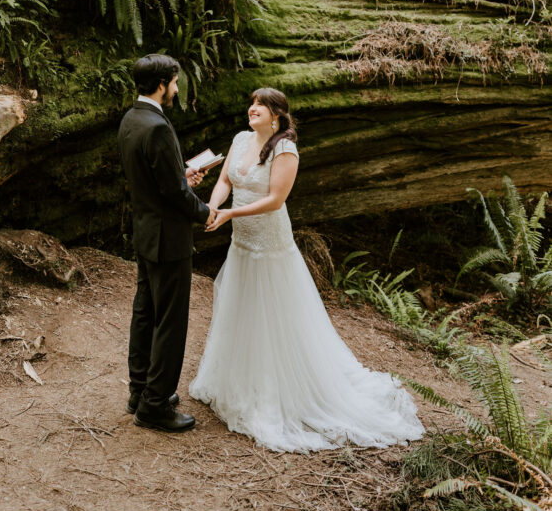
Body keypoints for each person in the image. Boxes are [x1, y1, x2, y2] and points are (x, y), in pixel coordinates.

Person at [189, 87, 425, 453]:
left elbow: (275, 199)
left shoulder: (285, 149)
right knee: (242, 307)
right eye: (251, 102)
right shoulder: (239, 139)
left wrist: (231, 213)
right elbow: (224, 181)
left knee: (274, 313)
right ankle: (239, 380)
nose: (252, 109)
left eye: (261, 105)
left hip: (269, 242)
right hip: (241, 241)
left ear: (277, 116)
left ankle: (277, 389)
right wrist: (213, 208)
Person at [118, 53, 216, 433]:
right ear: (162, 84)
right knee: (171, 321)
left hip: (145, 231)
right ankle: (154, 405)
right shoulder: (158, 127)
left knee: (145, 312)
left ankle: (140, 389)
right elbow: (174, 193)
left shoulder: (132, 118)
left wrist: (180, 174)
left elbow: (151, 178)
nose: (176, 88)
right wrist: (204, 210)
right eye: (175, 82)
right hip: (168, 237)